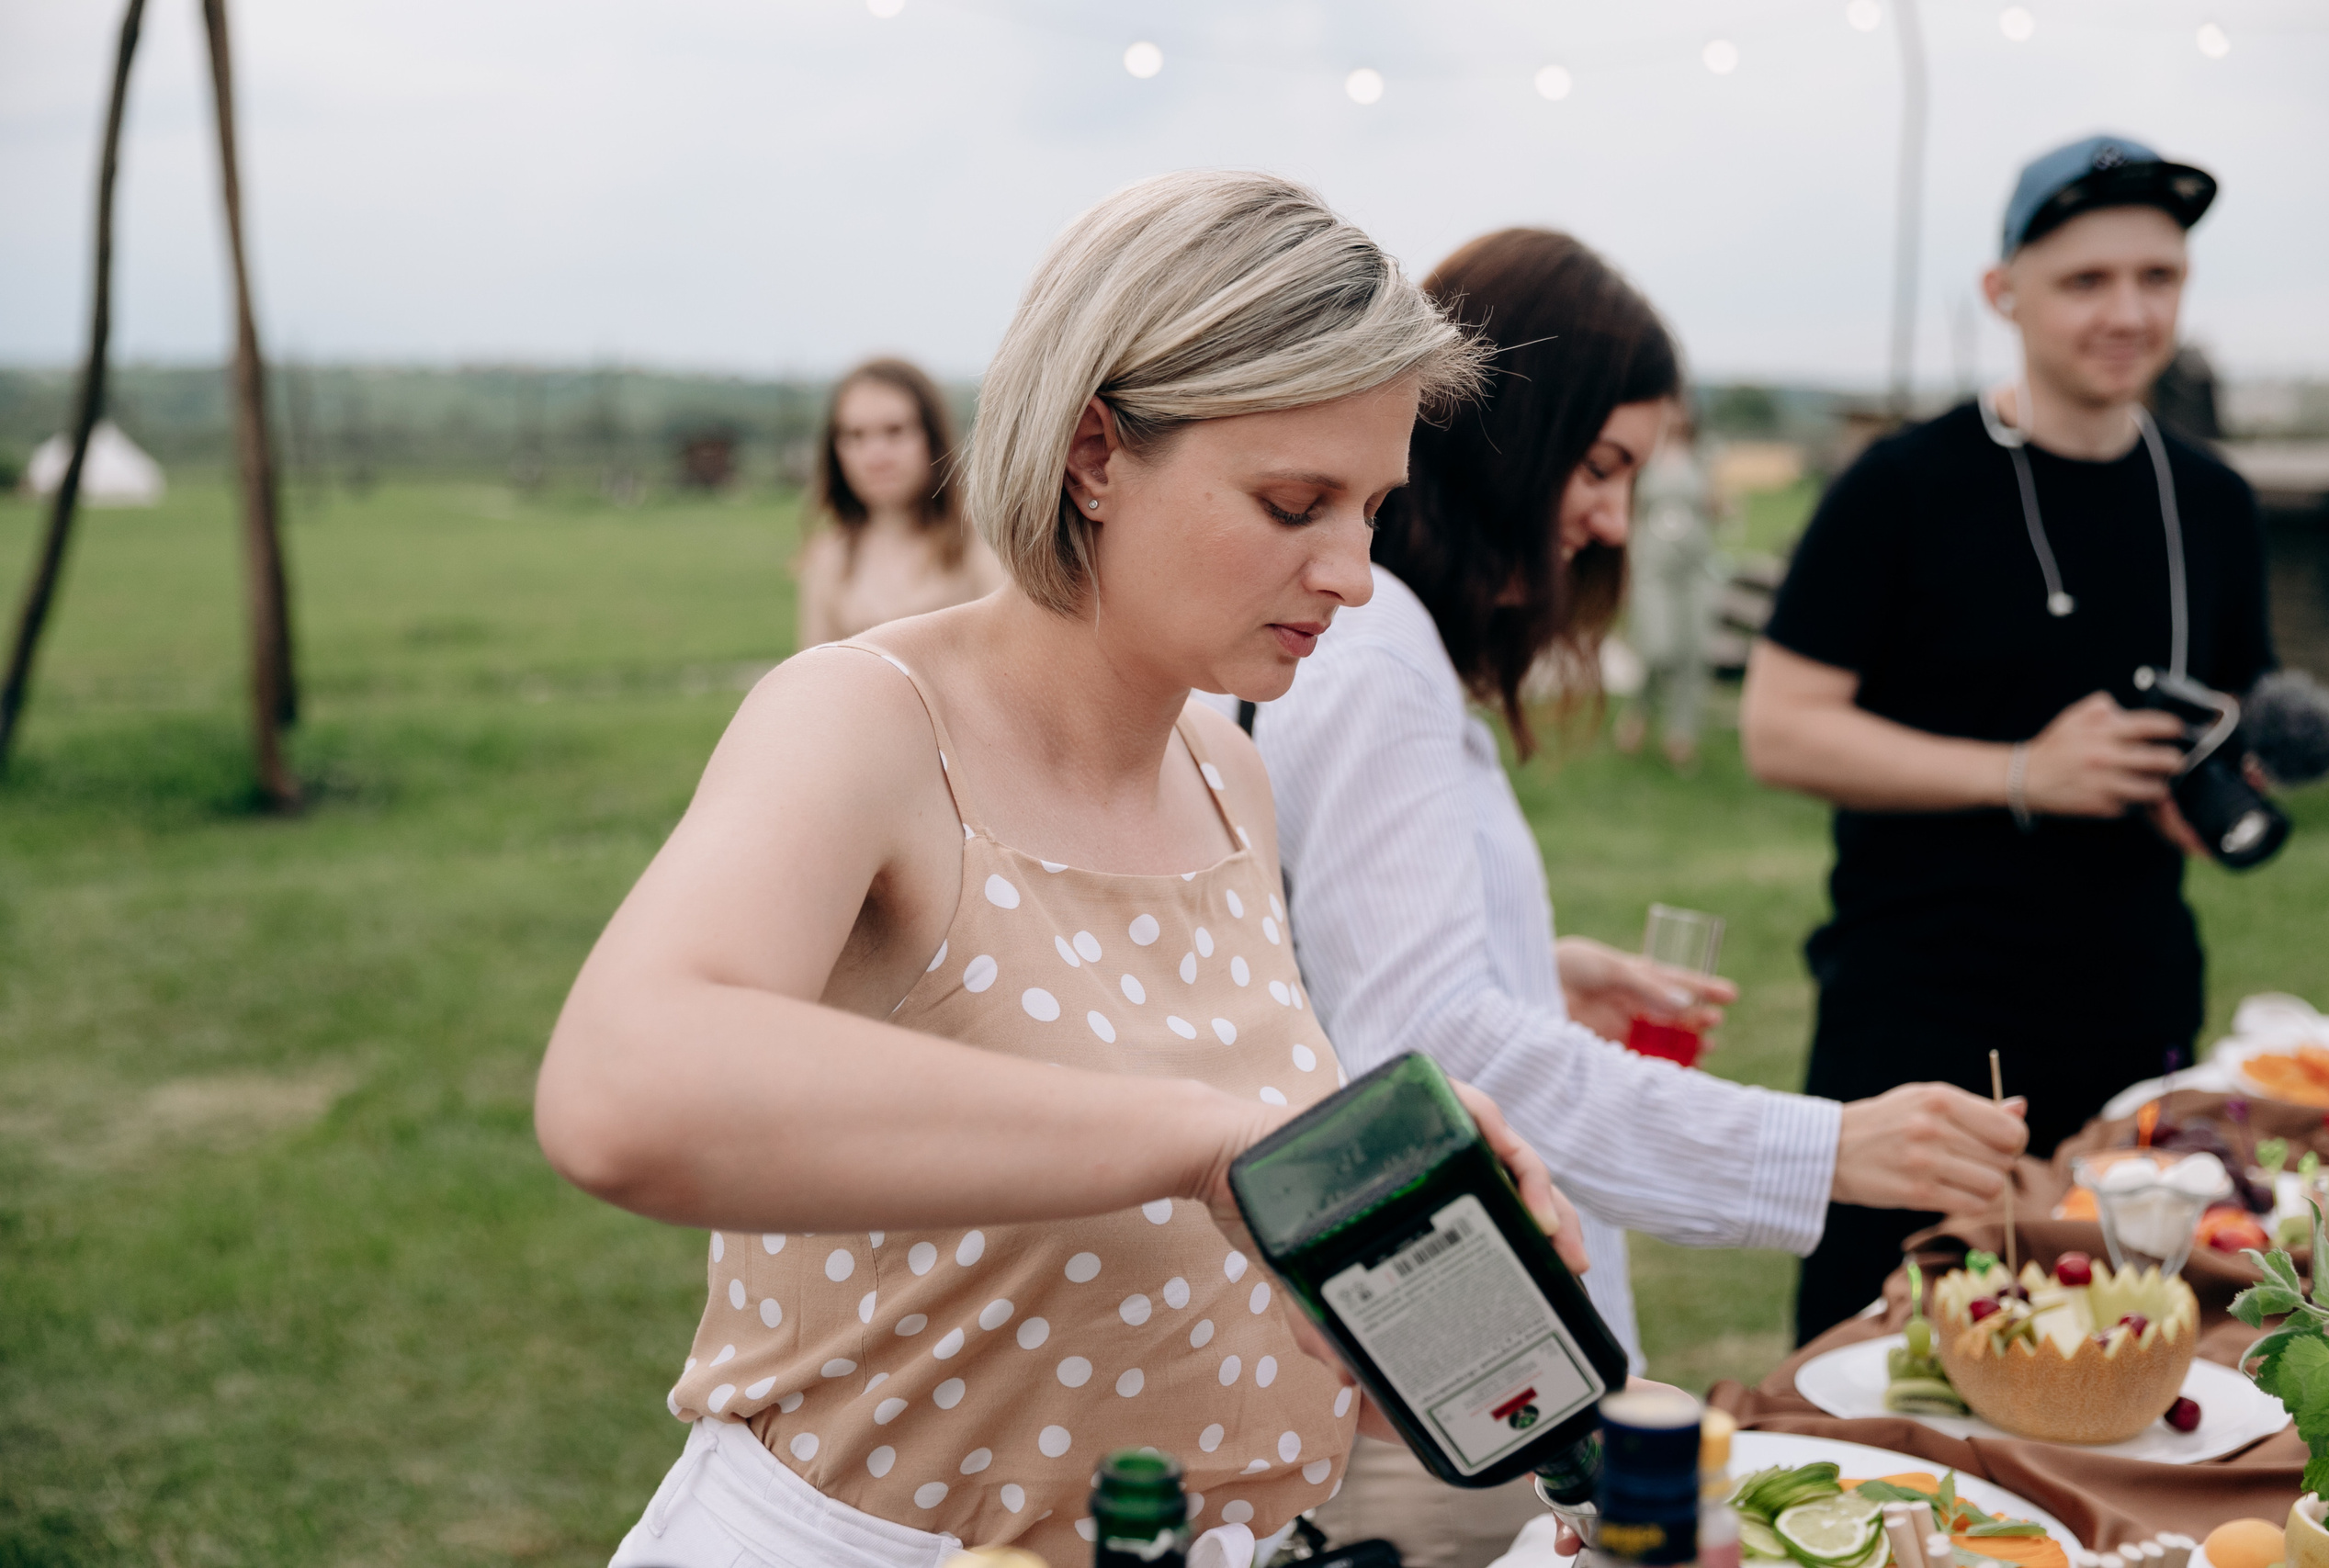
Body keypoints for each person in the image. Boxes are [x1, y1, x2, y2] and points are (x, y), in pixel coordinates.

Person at [535, 171, 1586, 1568]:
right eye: (1294, 502)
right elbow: (623, 1089)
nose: (1353, 570)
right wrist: (1211, 1144)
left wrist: (1382, 1220)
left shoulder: (1229, 769)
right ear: (1095, 453)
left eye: (1374, 508)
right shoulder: (868, 719)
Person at [1222, 228, 2029, 1378]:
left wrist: (1534, 968)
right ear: (1506, 435)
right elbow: (1434, 1051)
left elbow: (1338, 965)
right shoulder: (1380, 651)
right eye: (1599, 465)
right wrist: (1822, 1147)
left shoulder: (1388, 646)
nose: (1609, 520)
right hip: (1426, 1339)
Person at [1741, 135, 2275, 1341]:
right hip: (1922, 1014)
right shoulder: (1902, 485)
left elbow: (2220, 716)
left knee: (2117, 1352)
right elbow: (1778, 729)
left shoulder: (2215, 502)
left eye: (2158, 277)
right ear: (2004, 294)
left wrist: (2210, 784)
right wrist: (2024, 771)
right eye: (2087, 280)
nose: (2128, 310)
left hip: (2135, 1005)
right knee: (1877, 1357)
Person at [797, 357, 1001, 649]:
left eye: (895, 431)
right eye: (855, 435)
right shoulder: (829, 558)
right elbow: (813, 682)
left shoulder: (982, 545)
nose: (875, 455)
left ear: (932, 437)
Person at [1615, 401, 1718, 772]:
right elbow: (1628, 511)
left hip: (1694, 568)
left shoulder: (1702, 457)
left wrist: (1722, 506)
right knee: (1659, 650)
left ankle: (1681, 735)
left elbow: (1714, 504)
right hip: (1653, 566)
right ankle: (1639, 712)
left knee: (1692, 653)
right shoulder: (1645, 456)